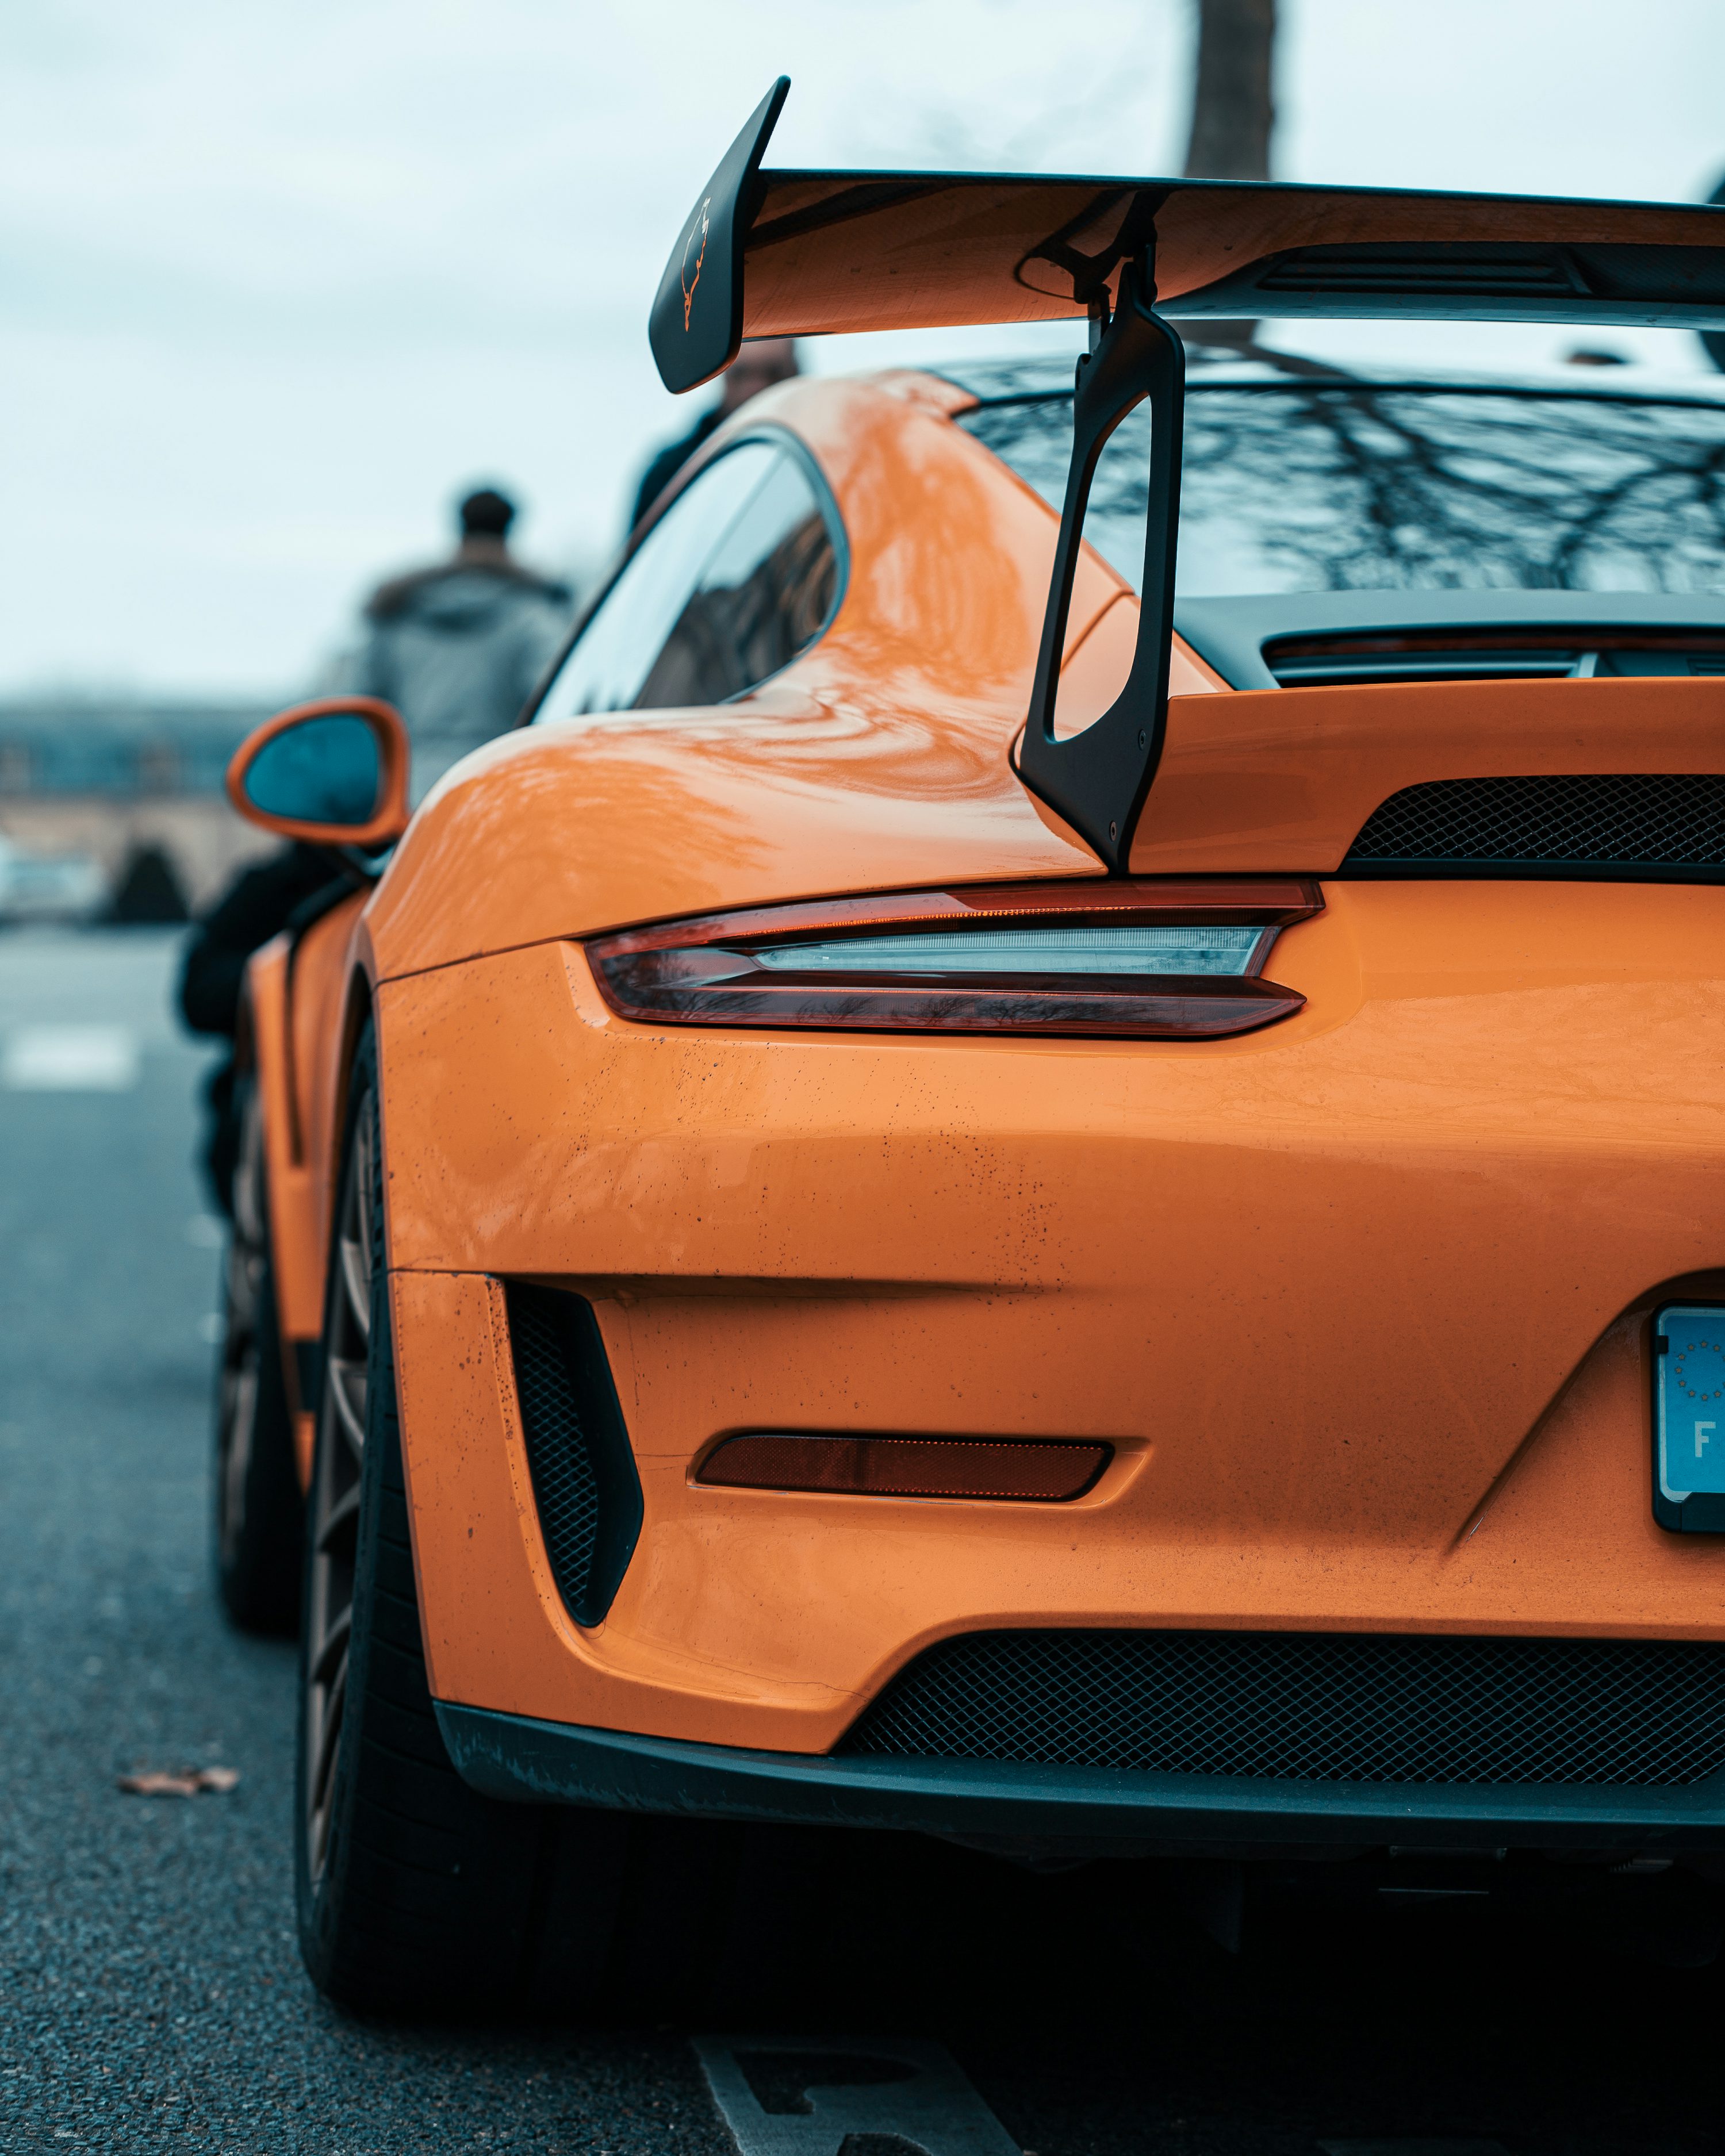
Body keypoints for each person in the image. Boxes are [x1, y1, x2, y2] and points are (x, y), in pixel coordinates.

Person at [179, 482, 571, 1212]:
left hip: (387, 812)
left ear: (455, 531)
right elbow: (564, 714)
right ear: (512, 533)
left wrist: (368, 800)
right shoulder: (540, 619)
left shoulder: (393, 621)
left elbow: (351, 719)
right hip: (490, 816)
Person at [347, 484, 573, 799]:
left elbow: (362, 706)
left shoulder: (400, 613)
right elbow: (559, 702)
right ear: (511, 528)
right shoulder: (533, 614)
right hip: (503, 784)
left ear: (459, 525)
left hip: (412, 792)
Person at [630, 339, 798, 533]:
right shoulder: (671, 474)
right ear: (722, 374)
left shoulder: (829, 457)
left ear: (796, 372)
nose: (755, 387)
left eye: (772, 374)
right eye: (741, 374)